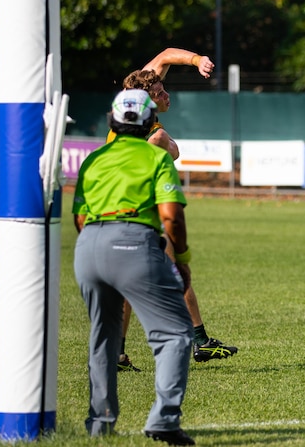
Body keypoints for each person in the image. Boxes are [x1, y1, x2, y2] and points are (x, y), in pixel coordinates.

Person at [73, 89, 196, 445]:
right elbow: (171, 217)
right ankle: (164, 421)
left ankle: (100, 422)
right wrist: (183, 260)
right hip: (134, 243)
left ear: (112, 120)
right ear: (149, 122)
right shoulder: (156, 157)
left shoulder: (93, 160)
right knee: (174, 335)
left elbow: (79, 217)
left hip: (88, 247)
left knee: (103, 338)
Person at [112, 50, 237, 371]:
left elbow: (165, 56)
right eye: (160, 94)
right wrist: (166, 144)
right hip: (138, 215)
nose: (167, 95)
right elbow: (171, 152)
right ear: (147, 102)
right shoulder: (154, 136)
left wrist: (198, 61)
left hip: (119, 213)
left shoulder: (132, 99)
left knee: (129, 287)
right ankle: (200, 342)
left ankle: (117, 355)